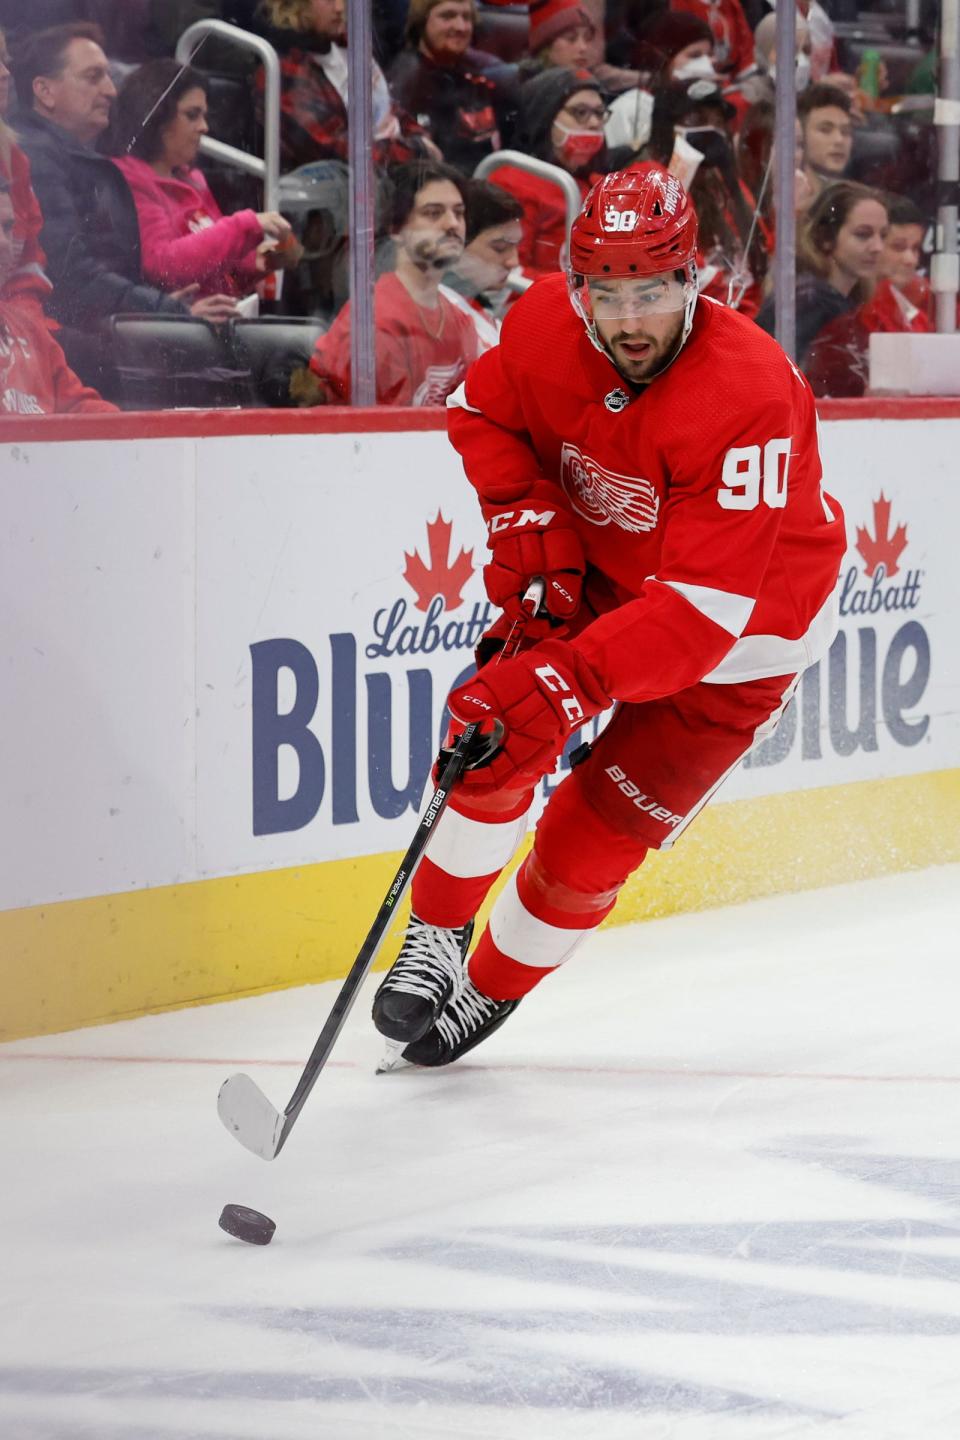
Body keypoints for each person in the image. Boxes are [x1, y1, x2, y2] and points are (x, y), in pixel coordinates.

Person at [371, 163, 846, 1068]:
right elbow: (479, 412)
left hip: (743, 635)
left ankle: (494, 987)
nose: (629, 321)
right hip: (604, 580)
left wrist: (571, 680)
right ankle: (434, 936)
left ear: (693, 280)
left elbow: (701, 615)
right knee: (494, 726)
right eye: (607, 293)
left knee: (596, 839)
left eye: (655, 292)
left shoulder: (747, 391)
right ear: (577, 285)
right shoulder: (546, 321)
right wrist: (528, 518)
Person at [9, 23, 207, 391]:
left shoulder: (71, 155)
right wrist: (166, 311)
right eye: (93, 77)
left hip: (95, 337)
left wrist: (156, 308)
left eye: (108, 78)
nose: (111, 91)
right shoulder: (35, 155)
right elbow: (70, 273)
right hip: (73, 352)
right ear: (44, 91)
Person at [108, 60, 300, 312]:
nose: (204, 127)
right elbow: (164, 266)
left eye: (204, 115)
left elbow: (222, 271)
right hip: (175, 332)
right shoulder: (127, 179)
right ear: (156, 116)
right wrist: (246, 224)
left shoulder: (193, 179)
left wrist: (264, 261)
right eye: (192, 115)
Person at [297, 160, 479, 405]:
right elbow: (381, 436)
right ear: (396, 229)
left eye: (459, 212)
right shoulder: (374, 326)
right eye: (433, 213)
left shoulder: (460, 320)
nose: (453, 224)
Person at [257, 0, 436, 174]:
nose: (340, 8)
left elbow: (389, 109)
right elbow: (336, 151)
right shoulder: (285, 69)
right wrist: (416, 151)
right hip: (351, 188)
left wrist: (419, 138)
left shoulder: (347, 45)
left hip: (398, 167)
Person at [485, 67, 619, 280]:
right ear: (544, 116)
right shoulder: (511, 181)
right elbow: (506, 273)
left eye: (599, 113)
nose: (594, 123)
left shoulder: (600, 186)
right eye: (580, 112)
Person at [0, 177, 116, 413]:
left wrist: (136, 436)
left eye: (6, 228)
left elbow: (82, 409)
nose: (4, 243)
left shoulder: (29, 329)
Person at [755, 180, 888, 372]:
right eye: (863, 234)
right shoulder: (809, 301)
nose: (878, 247)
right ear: (825, 237)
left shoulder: (834, 300)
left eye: (883, 235)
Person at [387, 0, 517, 174]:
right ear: (421, 21)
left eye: (467, 17)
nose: (460, 27)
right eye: (447, 16)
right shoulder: (407, 81)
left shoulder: (486, 73)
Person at [440, 177, 524, 351]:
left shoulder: (477, 303)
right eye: (500, 248)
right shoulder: (437, 324)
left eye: (516, 247)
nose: (513, 262)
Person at [0, 26, 50, 310]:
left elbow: (29, 267)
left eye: (5, 59)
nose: (5, 73)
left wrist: (26, 325)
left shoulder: (13, 157)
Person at [797, 82, 853, 202]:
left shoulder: (855, 200)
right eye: (825, 130)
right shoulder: (787, 205)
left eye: (845, 131)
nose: (839, 140)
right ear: (800, 136)